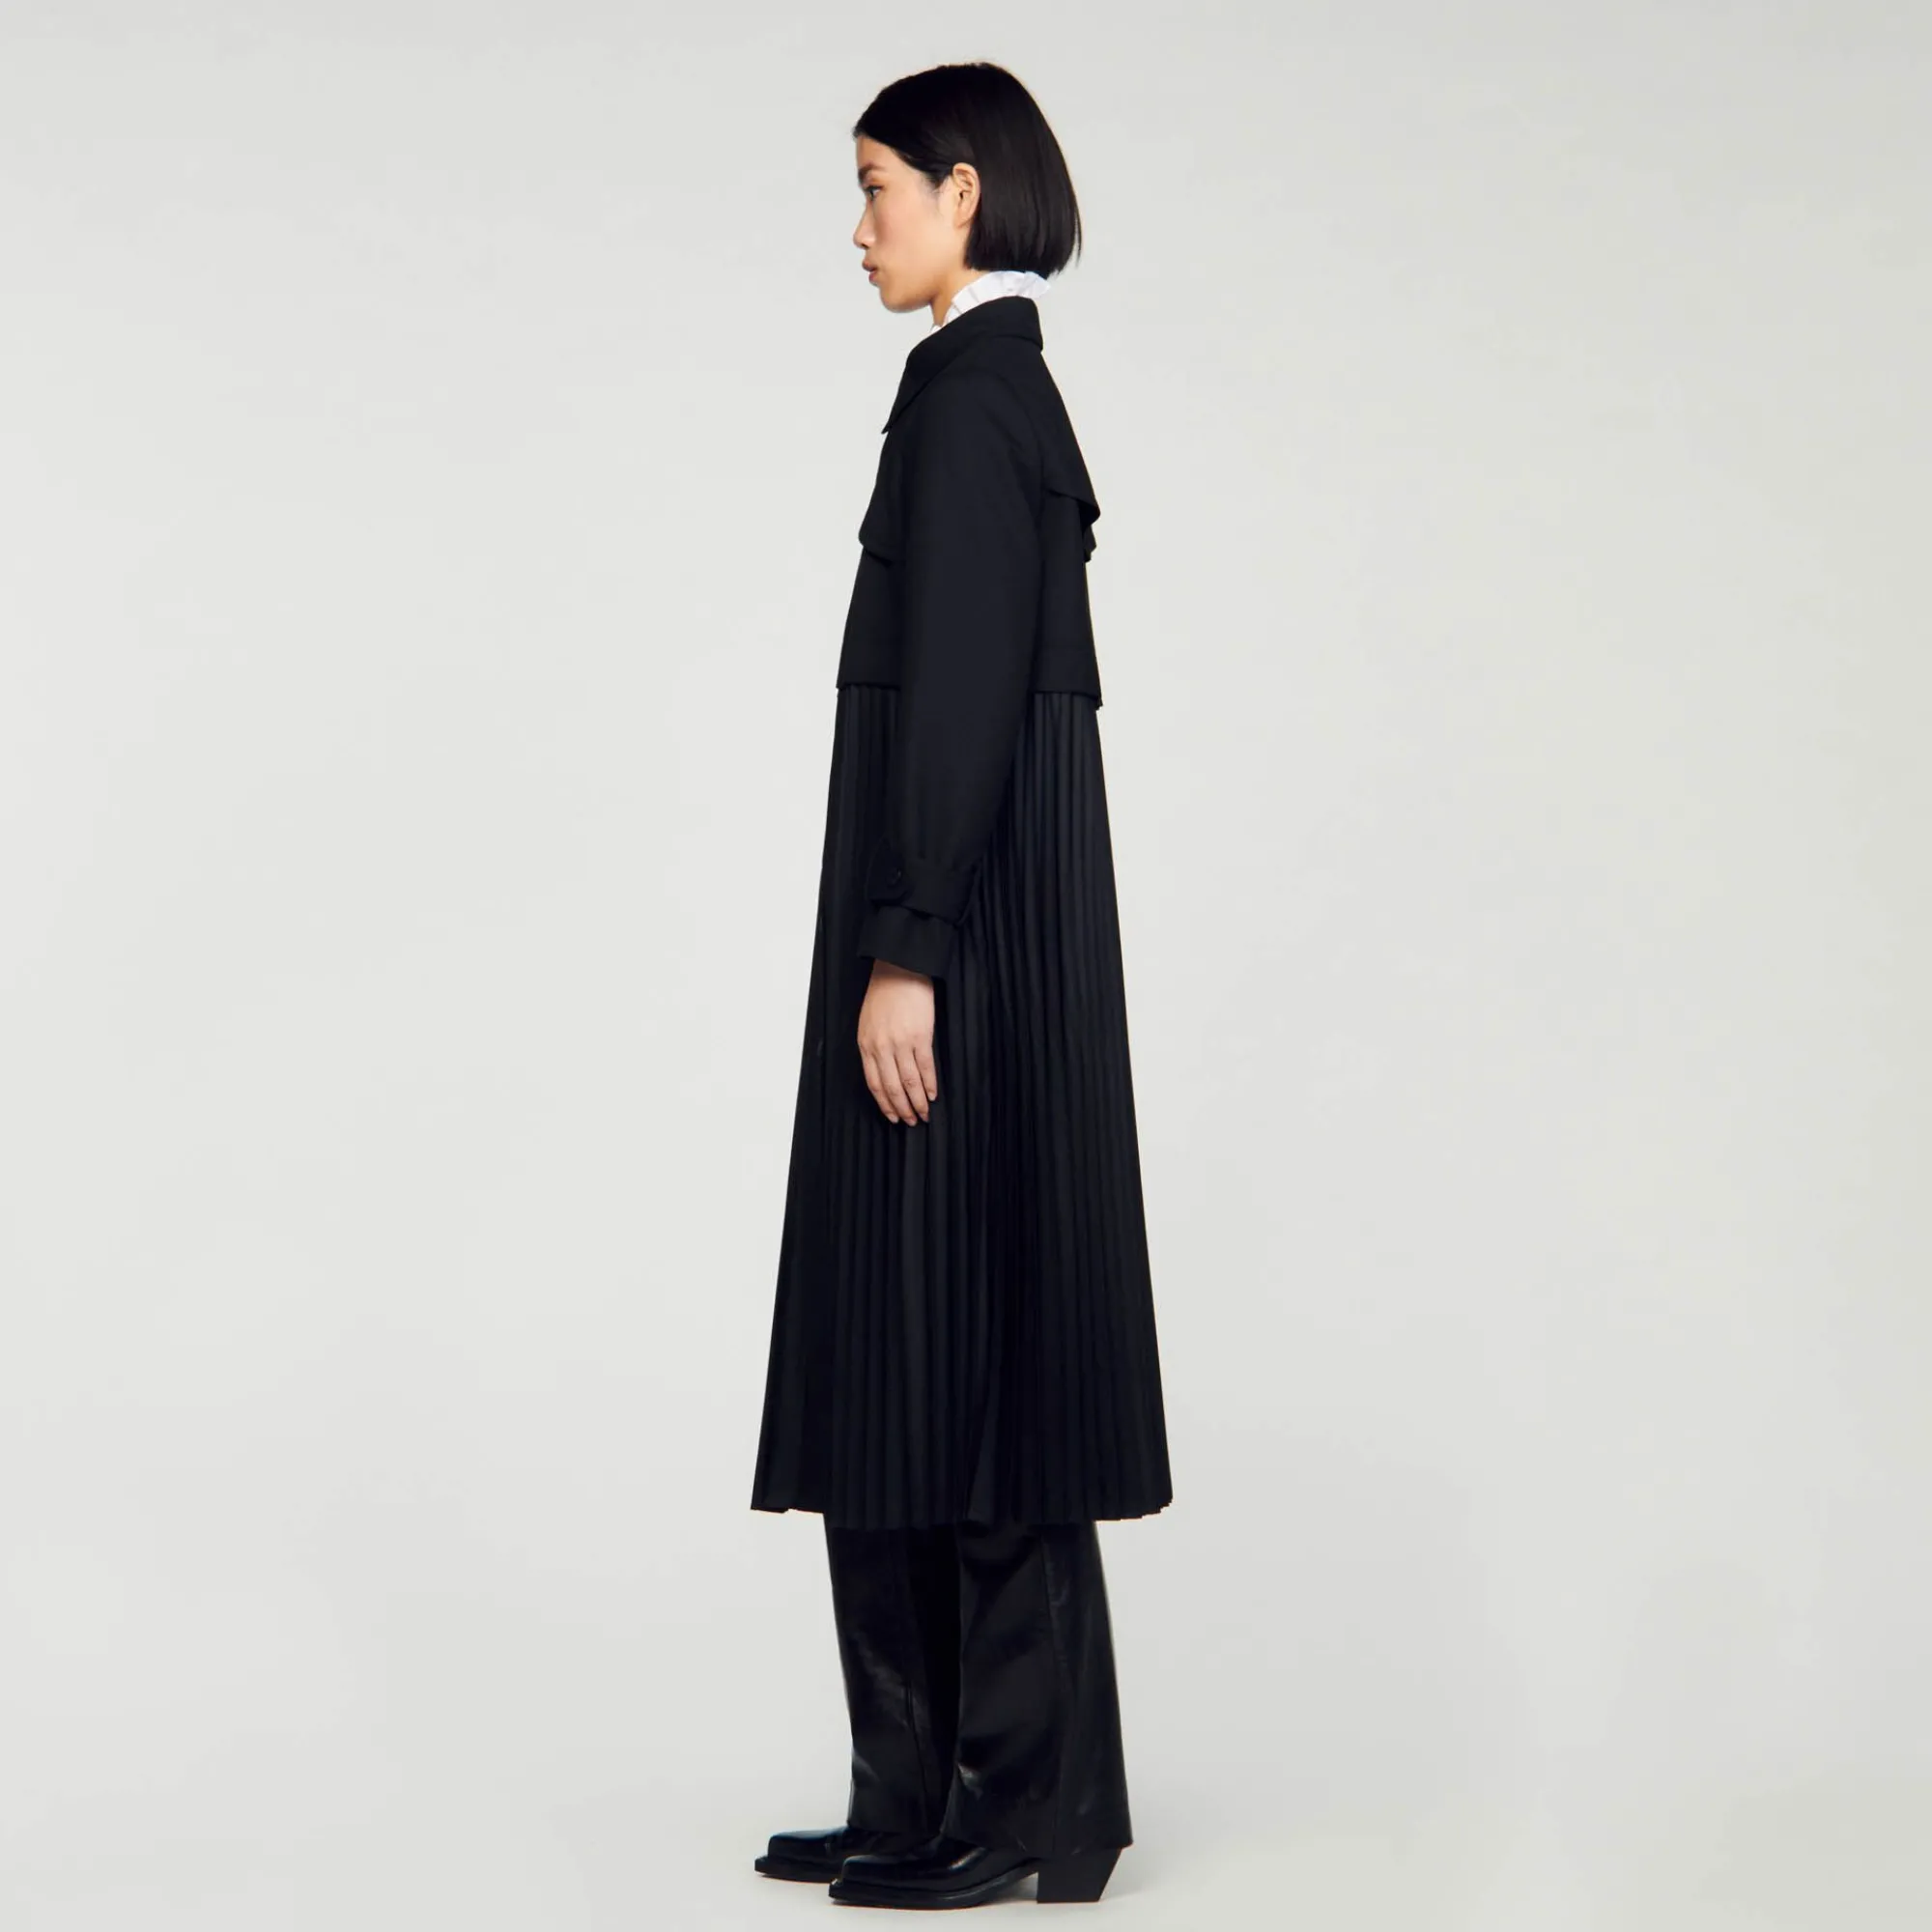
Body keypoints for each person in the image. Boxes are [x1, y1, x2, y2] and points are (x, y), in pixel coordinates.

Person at [748, 60, 1174, 1912]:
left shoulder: (982, 404)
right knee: (895, 1346)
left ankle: (1031, 1812)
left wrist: (910, 949)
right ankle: (909, 1791)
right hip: (942, 935)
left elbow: (974, 705)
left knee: (978, 1353)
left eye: (877, 187)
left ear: (964, 192)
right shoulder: (965, 395)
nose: (859, 228)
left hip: (966, 953)